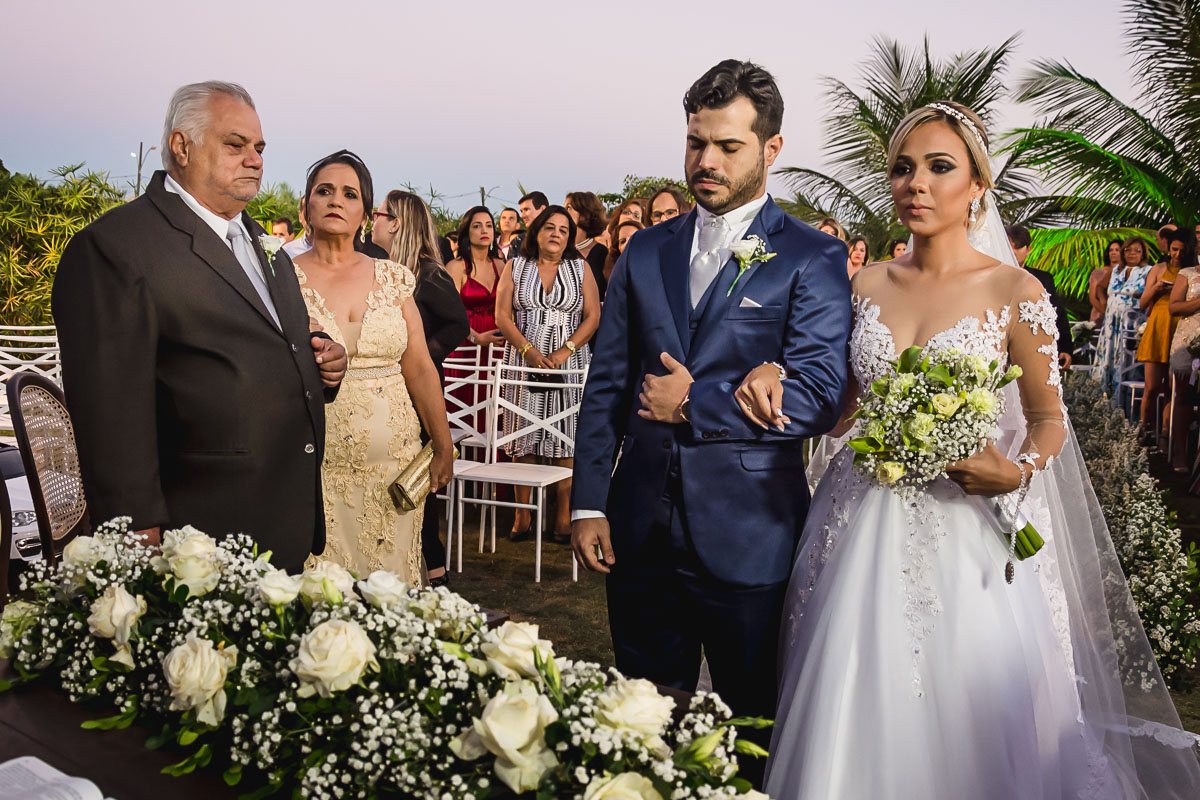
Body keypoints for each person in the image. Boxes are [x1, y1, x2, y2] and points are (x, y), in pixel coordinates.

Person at [742, 100, 1200, 800]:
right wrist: (780, 373)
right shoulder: (861, 286)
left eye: (938, 167)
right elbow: (838, 414)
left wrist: (1012, 469)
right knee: (848, 686)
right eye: (901, 168)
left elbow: (1050, 420)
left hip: (969, 528)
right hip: (859, 519)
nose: (914, 183)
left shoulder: (1013, 291)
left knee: (972, 718)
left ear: (977, 187)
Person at [570, 60, 851, 786]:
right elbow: (606, 385)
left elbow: (818, 394)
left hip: (750, 531)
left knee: (748, 731)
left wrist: (696, 404)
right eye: (697, 142)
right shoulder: (647, 249)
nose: (706, 161)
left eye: (728, 146)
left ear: (772, 148)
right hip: (638, 528)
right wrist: (591, 499)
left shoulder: (808, 256)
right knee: (640, 721)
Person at [51, 81, 347, 572]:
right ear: (181, 146)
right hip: (198, 532)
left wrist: (322, 363)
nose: (254, 159)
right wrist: (134, 534)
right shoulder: (116, 248)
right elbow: (111, 411)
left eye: (259, 148)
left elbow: (269, 342)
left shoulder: (258, 240)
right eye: (235, 144)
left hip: (280, 516)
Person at [293, 151, 453, 583]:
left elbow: (418, 366)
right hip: (316, 466)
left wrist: (443, 443)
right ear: (306, 204)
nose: (335, 201)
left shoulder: (393, 276)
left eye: (349, 194)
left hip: (393, 464)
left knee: (391, 594)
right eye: (324, 191)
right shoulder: (281, 278)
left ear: (365, 211)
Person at [372, 189, 470, 585]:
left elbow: (457, 324)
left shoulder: (429, 272)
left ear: (396, 222)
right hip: (391, 391)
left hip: (418, 390)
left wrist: (417, 356)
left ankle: (435, 574)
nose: (372, 221)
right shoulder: (386, 268)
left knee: (418, 482)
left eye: (378, 214)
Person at [496, 206, 601, 541]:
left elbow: (593, 315)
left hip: (569, 363)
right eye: (549, 228)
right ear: (536, 232)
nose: (556, 234)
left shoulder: (580, 268)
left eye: (564, 230)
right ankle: (522, 516)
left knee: (566, 439)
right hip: (523, 361)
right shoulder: (515, 266)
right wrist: (529, 351)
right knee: (522, 435)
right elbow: (502, 316)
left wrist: (564, 350)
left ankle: (562, 517)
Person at [1137, 228, 1191, 440]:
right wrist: (1157, 288)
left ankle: (1165, 436)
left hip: (1179, 327)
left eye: (1181, 251)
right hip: (1159, 325)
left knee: (1172, 389)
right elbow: (1142, 302)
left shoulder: (1189, 272)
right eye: (1174, 250)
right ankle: (1144, 431)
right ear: (1168, 249)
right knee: (1151, 387)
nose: (1177, 255)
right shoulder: (1158, 269)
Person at [1006, 224, 1074, 368]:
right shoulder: (992, 277)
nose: (1012, 252)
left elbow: (1057, 313)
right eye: (1009, 246)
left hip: (1033, 348)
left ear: (1028, 249)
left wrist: (1065, 348)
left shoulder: (1043, 279)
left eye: (1017, 247)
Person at [1095, 236, 1151, 394]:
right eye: (1128, 250)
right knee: (1107, 362)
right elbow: (1100, 287)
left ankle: (1124, 405)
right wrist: (1104, 304)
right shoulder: (1116, 270)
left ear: (1143, 253)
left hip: (1131, 324)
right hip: (1111, 324)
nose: (1132, 253)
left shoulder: (1147, 271)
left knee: (1127, 364)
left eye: (1137, 251)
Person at [445, 206, 505, 351]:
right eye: (477, 226)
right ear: (467, 232)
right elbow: (448, 312)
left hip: (496, 342)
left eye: (489, 225)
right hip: (466, 341)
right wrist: (475, 337)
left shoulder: (500, 265)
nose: (484, 230)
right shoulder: (456, 267)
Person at [1167, 257, 1200, 471]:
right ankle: (1180, 455)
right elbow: (1174, 307)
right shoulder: (1187, 273)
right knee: (1183, 397)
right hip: (1188, 340)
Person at [565, 190, 610, 294]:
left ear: (585, 214)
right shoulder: (561, 250)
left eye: (569, 208)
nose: (563, 212)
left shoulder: (601, 253)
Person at [1089, 239, 1122, 322]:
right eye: (1111, 250)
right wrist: (1106, 314)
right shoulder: (1098, 272)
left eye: (1117, 250)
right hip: (1099, 315)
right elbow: (1092, 298)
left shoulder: (1127, 272)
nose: (1113, 252)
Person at [508, 191, 548, 258]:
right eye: (521, 211)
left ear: (542, 209)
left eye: (526, 210)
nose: (522, 216)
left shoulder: (559, 238)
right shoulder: (518, 242)